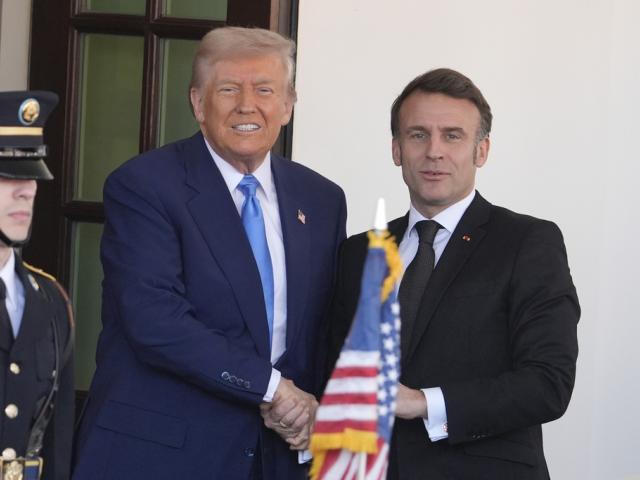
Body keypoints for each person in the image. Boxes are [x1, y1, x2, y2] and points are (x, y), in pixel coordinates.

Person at [72, 27, 346, 480]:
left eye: (264, 89)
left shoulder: (320, 198)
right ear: (198, 103)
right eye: (228, 89)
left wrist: (314, 413)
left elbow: (320, 327)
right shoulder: (144, 186)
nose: (246, 104)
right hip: (161, 456)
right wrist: (274, 390)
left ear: (288, 104)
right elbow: (155, 320)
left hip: (274, 456)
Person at [327, 68, 579, 479]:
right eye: (418, 134)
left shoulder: (528, 242)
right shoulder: (358, 252)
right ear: (396, 149)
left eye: (453, 135)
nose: (434, 151)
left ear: (482, 151)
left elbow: (548, 384)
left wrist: (423, 402)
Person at [0, 90, 75, 480]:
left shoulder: (51, 299)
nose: (26, 189)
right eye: (7, 176)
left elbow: (57, 442)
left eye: (30, 177)